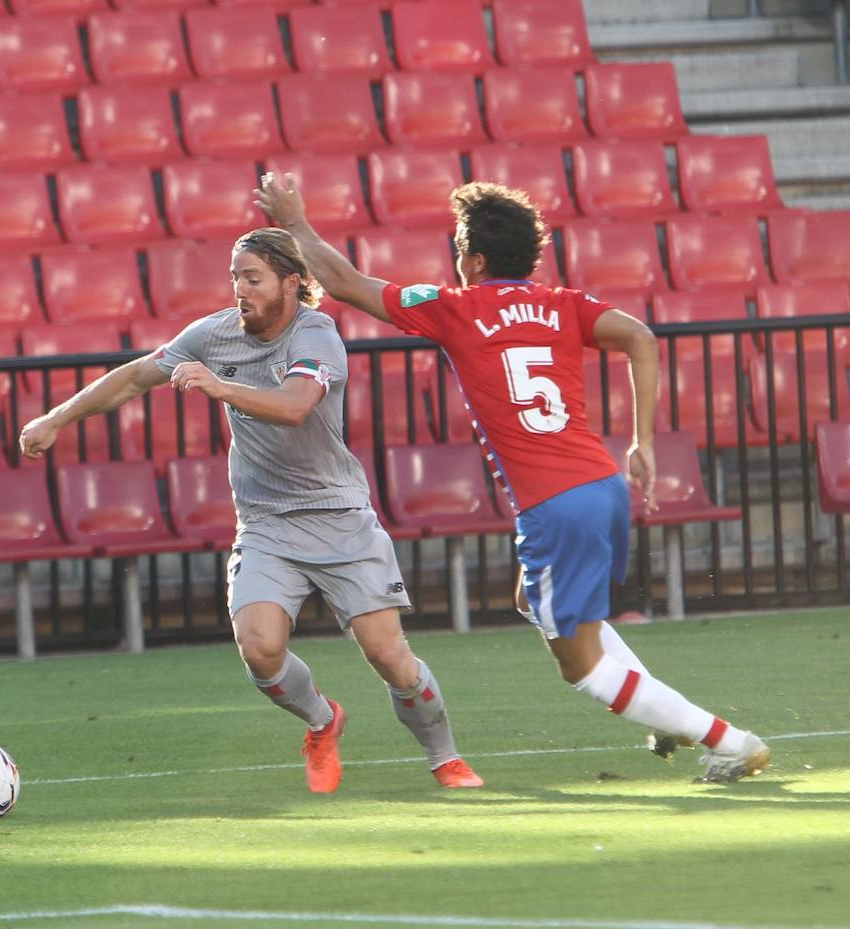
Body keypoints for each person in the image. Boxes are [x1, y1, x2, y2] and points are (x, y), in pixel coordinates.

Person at [256, 176, 770, 783]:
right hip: (601, 487)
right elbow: (641, 337)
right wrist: (644, 441)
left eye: (458, 249)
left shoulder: (456, 307)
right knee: (535, 599)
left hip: (554, 504)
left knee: (579, 665)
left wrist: (294, 221)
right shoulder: (565, 305)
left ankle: (727, 740)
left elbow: (342, 284)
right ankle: (662, 713)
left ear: (473, 260)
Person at [19, 227, 483, 792]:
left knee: (389, 656)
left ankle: (445, 758)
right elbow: (135, 378)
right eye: (235, 277)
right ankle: (322, 720)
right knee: (261, 651)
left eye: (253, 278)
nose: (240, 289)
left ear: (292, 283)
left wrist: (219, 388)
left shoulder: (318, 335)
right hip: (266, 524)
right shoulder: (213, 334)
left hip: (339, 516)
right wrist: (55, 419)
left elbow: (294, 406)